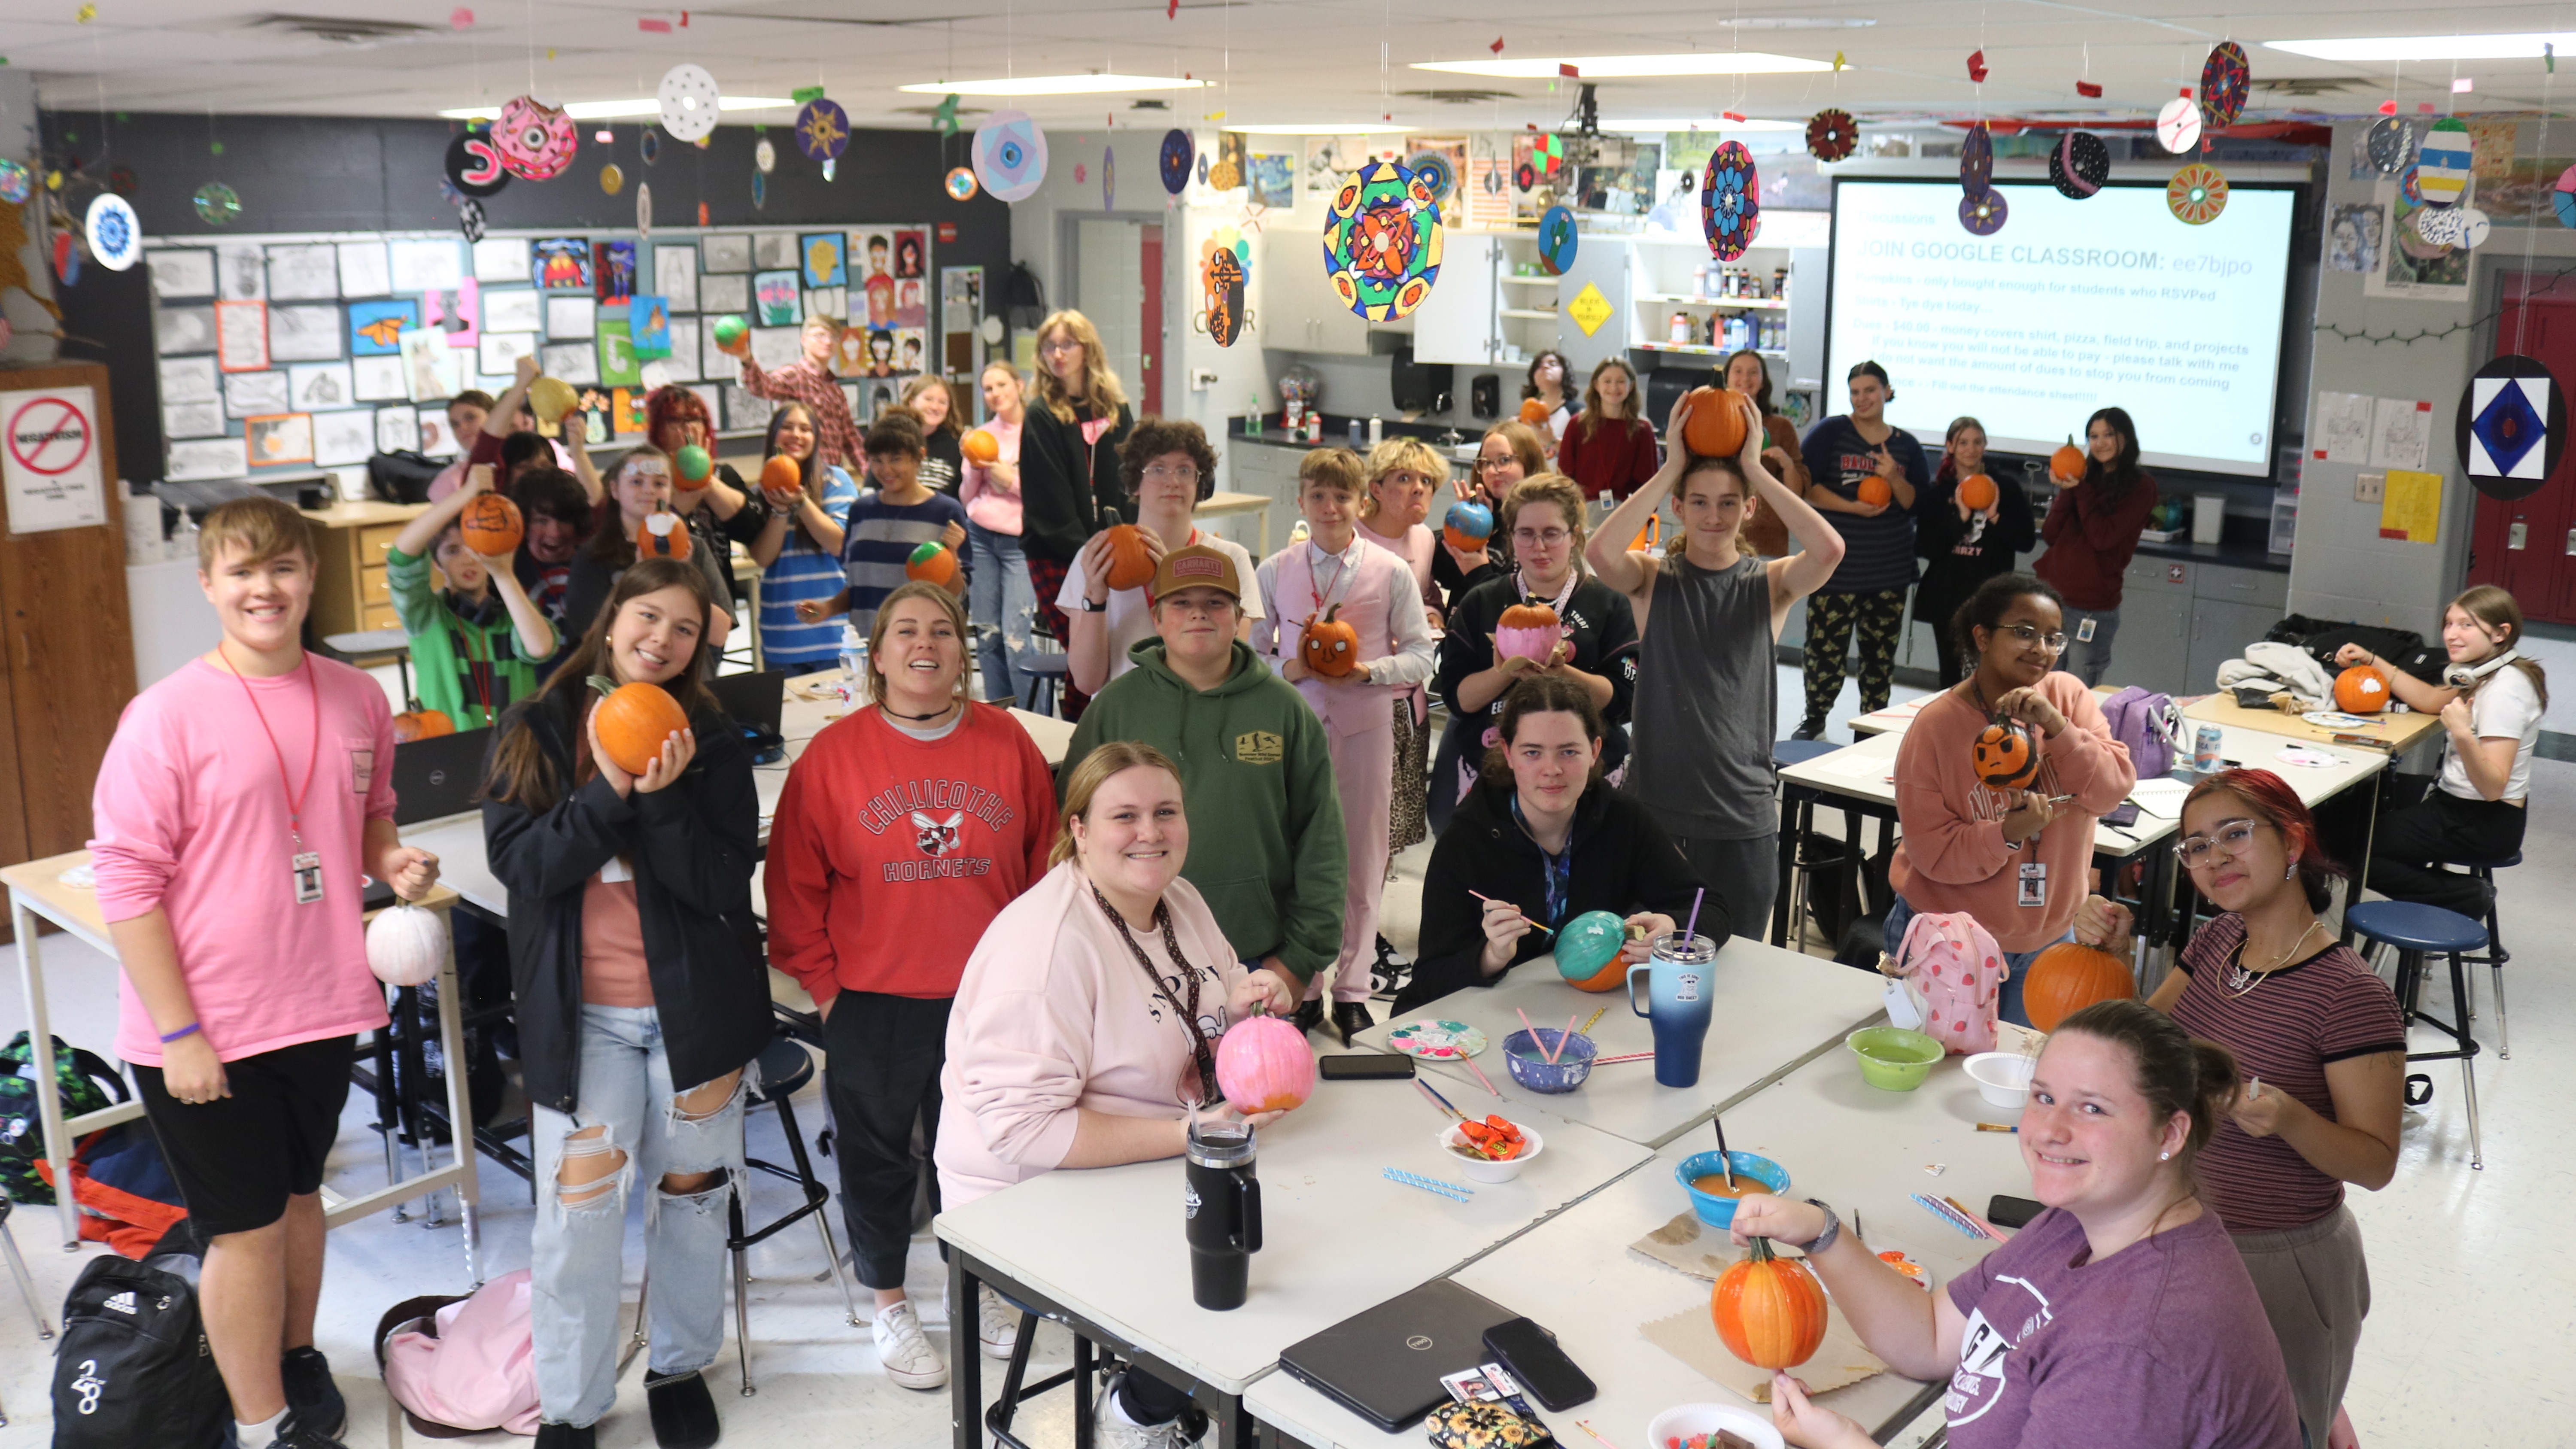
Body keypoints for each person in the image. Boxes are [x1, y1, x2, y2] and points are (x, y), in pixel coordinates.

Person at [91, 495, 441, 1449]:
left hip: (322, 1001)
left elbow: (369, 811)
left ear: (309, 577)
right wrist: (178, 1034)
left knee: (296, 1199)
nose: (264, 588)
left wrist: (391, 860)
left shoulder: (357, 695)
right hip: (203, 1026)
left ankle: (295, 1352)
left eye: (281, 568)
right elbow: (124, 883)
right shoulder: (162, 716)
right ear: (208, 585)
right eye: (242, 572)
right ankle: (263, 1424)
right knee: (242, 1230)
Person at [936, 742, 1301, 1449]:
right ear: (1077, 829)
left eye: (1166, 812)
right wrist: (1193, 1133)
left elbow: (1213, 992)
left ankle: (1203, 1400)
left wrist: (1254, 999)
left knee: (1288, 1244)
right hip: (1024, 1196)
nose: (1151, 833)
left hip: (1146, 1159)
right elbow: (1024, 1133)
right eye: (1124, 815)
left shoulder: (1178, 899)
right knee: (1224, 1280)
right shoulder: (1044, 950)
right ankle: (1138, 1412)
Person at [1728, 1000, 2300, 1449]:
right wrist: (1820, 1232)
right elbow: (1929, 1337)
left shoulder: (2134, 1346)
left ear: (2170, 1134)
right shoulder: (2083, 1221)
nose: (2050, 1128)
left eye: (2093, 1107)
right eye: (2044, 1096)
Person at [481, 558, 763, 1449]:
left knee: (691, 1197)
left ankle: (680, 1362)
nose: (662, 640)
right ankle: (573, 1399)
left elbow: (721, 882)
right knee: (578, 1219)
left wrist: (668, 792)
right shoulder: (536, 725)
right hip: (585, 1023)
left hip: (698, 1018)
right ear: (611, 620)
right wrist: (609, 790)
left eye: (685, 628)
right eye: (648, 617)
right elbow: (522, 866)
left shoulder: (711, 740)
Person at [766, 582, 1059, 1388]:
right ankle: (890, 1301)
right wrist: (828, 991)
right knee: (878, 1159)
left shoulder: (1008, 745)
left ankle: (988, 1285)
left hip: (990, 999)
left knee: (990, 1155)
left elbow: (1047, 871)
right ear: (879, 654)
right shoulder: (831, 758)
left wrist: (1037, 978)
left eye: (942, 630)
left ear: (963, 651)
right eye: (906, 631)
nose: (924, 643)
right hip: (874, 1003)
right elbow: (794, 889)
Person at [2086, 769, 2403, 1445]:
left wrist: (2289, 1116)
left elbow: (2376, 1162)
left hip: (2279, 1259)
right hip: (2184, 1236)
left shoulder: (2350, 994)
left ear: (2292, 841)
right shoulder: (2217, 943)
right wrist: (2115, 954)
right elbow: (2149, 1042)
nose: (2216, 857)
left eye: (2236, 833)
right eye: (2197, 846)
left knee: (2269, 1430)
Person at [1592, 393, 1844, 941]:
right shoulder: (1654, 579)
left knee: (1737, 970)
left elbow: (1829, 551)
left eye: (1730, 502)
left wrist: (1756, 468)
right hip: (1655, 810)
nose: (1714, 515)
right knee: (1642, 964)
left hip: (1739, 816)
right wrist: (1669, 470)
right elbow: (1599, 552)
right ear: (1678, 508)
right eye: (1700, 501)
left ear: (1749, 509)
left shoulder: (1770, 584)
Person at [1064, 544, 1346, 1008]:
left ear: (1239, 617)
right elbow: (1069, 829)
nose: (1199, 614)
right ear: (1157, 619)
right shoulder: (1115, 707)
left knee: (1247, 1082)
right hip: (1125, 954)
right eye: (1181, 603)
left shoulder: (1284, 710)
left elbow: (1323, 841)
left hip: (1252, 959)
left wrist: (1298, 961)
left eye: (1215, 603)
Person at [1889, 573, 2136, 1025]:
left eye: (2052, 638)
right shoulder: (1937, 727)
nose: (2041, 649)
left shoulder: (2068, 697)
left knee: (2022, 1077)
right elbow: (1930, 852)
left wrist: (2057, 727)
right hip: (1952, 939)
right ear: (1981, 637)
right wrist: (2005, 834)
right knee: (1939, 1072)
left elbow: (2110, 791)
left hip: (2050, 939)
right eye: (2024, 632)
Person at [1253, 448, 1436, 1042]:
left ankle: (1353, 990)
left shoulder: (1390, 571)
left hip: (1367, 728)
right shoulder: (1276, 569)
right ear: (1301, 500)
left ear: (1362, 502)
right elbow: (1252, 651)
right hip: (1294, 731)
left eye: (1341, 497)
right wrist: (1290, 667)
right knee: (1296, 857)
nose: (1330, 507)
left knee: (1364, 860)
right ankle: (1303, 985)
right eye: (1317, 495)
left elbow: (1421, 653)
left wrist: (1370, 672)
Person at [1397, 674, 1704, 1013]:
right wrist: (1490, 956)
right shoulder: (1467, 839)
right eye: (1532, 752)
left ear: (1595, 751)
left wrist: (1671, 927)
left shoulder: (1622, 819)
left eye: (1569, 751)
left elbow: (1709, 907)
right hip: (1485, 1023)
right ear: (1508, 753)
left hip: (1587, 1012)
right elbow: (1428, 980)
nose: (1552, 769)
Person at [1431, 474, 1637, 835]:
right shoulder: (1483, 601)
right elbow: (1458, 698)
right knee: (1494, 886)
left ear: (1574, 535)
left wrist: (1558, 671)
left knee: (1580, 883)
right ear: (1511, 538)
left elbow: (1623, 700)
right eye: (1526, 533)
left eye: (1552, 533)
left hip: (1584, 780)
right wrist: (1506, 669)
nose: (1539, 546)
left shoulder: (1610, 603)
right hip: (1494, 774)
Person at [2338, 584, 2547, 917]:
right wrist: (2374, 660)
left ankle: (2464, 897)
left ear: (2500, 633)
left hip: (2483, 822)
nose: (2452, 634)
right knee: (2353, 820)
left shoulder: (2504, 691)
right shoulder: (2483, 673)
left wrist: (2463, 733)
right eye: (2449, 624)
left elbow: (2493, 787)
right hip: (2457, 806)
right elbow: (2429, 700)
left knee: (2347, 849)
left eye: (2466, 625)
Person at [1060, 418, 1264, 697]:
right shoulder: (1096, 558)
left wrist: (1170, 584)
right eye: (1157, 469)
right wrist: (1095, 599)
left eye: (1185, 469)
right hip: (1122, 724)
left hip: (1202, 716)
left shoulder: (1229, 560)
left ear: (1201, 484)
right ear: (1134, 482)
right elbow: (1087, 682)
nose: (1173, 481)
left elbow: (1229, 670)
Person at [1795, 360, 1929, 739]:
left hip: (1889, 572)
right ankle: (1815, 721)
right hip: (1836, 570)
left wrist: (1891, 477)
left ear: (1887, 391)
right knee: (1824, 654)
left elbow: (1917, 503)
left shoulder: (1906, 446)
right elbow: (1807, 487)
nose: (1862, 398)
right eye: (1855, 392)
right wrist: (1853, 507)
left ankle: (1872, 729)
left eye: (1870, 390)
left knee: (1878, 660)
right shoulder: (1832, 431)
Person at [385, 462, 558, 728]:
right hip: (449, 749)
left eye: (475, 547)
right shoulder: (425, 616)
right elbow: (401, 555)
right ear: (437, 563)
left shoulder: (515, 611)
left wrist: (503, 575)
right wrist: (465, 495)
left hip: (511, 750)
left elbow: (540, 647)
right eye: (453, 550)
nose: (468, 559)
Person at [795, 408, 969, 638]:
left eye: (896, 459)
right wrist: (829, 608)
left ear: (920, 456)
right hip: (869, 643)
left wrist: (953, 555)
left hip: (919, 645)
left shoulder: (946, 512)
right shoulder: (861, 511)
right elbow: (860, 587)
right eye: (877, 461)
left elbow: (959, 594)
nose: (886, 470)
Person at [1018, 310, 1136, 644]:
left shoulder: (1115, 409)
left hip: (1114, 553)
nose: (1057, 354)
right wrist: (1092, 557)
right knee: (1086, 647)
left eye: (1067, 344)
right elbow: (1049, 499)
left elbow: (1132, 480)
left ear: (1087, 349)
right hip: (1059, 552)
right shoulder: (1041, 414)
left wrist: (1128, 547)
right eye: (1049, 347)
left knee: (1117, 648)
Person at [1357, 437, 1447, 872]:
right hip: (1362, 698)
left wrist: (1430, 614)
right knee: (1360, 826)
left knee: (1394, 830)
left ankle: (1374, 922)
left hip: (1410, 701)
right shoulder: (1350, 536)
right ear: (1375, 488)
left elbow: (1426, 596)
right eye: (1404, 478)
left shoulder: (1424, 540)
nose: (1418, 489)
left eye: (1427, 481)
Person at [563, 446, 735, 654]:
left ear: (671, 491)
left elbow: (719, 634)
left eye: (660, 483)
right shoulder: (593, 555)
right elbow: (597, 637)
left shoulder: (694, 547)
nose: (649, 490)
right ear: (615, 490)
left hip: (685, 675)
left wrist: (681, 579)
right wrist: (643, 579)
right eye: (637, 482)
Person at [2034, 406, 2159, 687]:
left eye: (2108, 435)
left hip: (2091, 609)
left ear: (2125, 438)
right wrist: (2069, 489)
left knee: (2077, 696)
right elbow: (2051, 534)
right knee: (2044, 690)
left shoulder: (2142, 486)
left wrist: (2079, 489)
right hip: (2054, 599)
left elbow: (2103, 537)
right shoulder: (2084, 478)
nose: (2100, 443)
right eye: (2093, 436)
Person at [1915, 416, 2038, 688]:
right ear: (1950, 447)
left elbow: (2026, 541)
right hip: (1948, 599)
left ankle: (1990, 730)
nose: (1971, 449)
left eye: (1977, 442)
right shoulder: (1938, 493)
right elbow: (1925, 548)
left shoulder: (2005, 488)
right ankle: (1952, 729)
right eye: (1963, 443)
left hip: (1992, 599)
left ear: (1985, 446)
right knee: (1950, 677)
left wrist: (1994, 515)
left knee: (1991, 675)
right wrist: (1960, 517)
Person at [747, 402, 859, 672]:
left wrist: (802, 504)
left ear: (816, 438)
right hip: (783, 635)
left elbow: (840, 544)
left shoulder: (836, 481)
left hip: (833, 632)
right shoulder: (757, 493)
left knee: (838, 714)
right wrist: (780, 510)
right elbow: (763, 557)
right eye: (787, 427)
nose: (796, 434)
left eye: (806, 429)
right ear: (773, 436)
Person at [643, 385, 773, 615]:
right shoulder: (649, 482)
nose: (688, 429)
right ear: (658, 429)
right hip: (662, 600)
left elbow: (753, 530)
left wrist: (705, 477)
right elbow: (655, 538)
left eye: (695, 419)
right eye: (676, 420)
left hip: (716, 606)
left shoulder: (723, 476)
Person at [960, 362, 1041, 707]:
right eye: (988, 388)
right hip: (980, 537)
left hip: (1020, 543)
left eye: (1001, 385)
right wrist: (974, 471)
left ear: (1019, 386)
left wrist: (1013, 482)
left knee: (1016, 638)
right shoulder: (982, 435)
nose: (995, 394)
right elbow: (968, 498)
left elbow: (1049, 495)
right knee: (988, 635)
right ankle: (999, 717)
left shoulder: (1038, 432)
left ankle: (1036, 723)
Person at [731, 311, 864, 471]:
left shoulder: (835, 390)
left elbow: (850, 437)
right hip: (800, 472)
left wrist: (871, 474)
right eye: (820, 335)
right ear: (804, 341)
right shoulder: (794, 375)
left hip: (832, 474)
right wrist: (746, 359)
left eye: (834, 337)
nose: (828, 342)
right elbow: (762, 386)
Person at [1718, 348, 1812, 559]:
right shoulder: (1712, 422)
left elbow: (1796, 495)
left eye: (1753, 372)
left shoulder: (1781, 427)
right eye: (1738, 371)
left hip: (1767, 545)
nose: (1745, 378)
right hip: (1716, 538)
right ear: (1727, 378)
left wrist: (1787, 465)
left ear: (1763, 381)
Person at [1438, 419, 1546, 600]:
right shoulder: (1486, 518)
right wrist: (1462, 525)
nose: (1492, 471)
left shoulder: (1542, 528)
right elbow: (1447, 577)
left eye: (1504, 460)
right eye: (1486, 463)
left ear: (1529, 464)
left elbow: (1517, 604)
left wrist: (1479, 571)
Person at [510, 467, 598, 650]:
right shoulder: (509, 567)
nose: (555, 533)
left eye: (564, 521)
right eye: (542, 521)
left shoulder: (596, 564)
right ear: (524, 524)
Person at [1554, 357, 1659, 504]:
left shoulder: (1642, 430)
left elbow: (1648, 485)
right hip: (1582, 511)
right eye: (1607, 381)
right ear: (1597, 385)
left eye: (1621, 382)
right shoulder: (1577, 425)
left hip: (1625, 513)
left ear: (1632, 386)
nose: (1614, 388)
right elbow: (1564, 478)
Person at [901, 374, 966, 495]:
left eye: (942, 402)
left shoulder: (957, 445)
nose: (935, 407)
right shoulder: (893, 439)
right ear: (912, 402)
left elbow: (963, 496)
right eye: (928, 399)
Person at [1521, 349, 1576, 448]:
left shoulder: (1577, 413)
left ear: (1565, 373)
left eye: (1553, 364)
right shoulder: (1525, 411)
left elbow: (1583, 454)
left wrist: (1552, 441)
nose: (1545, 367)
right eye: (1539, 366)